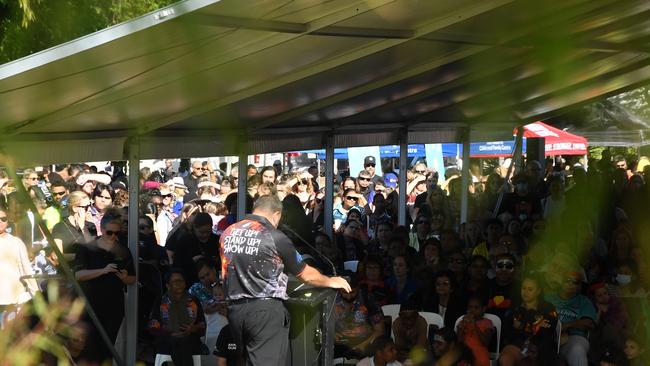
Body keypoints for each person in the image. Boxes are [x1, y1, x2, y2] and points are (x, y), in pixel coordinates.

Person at [219, 195, 350, 365]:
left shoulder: (228, 233)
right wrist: (331, 281)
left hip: (235, 311)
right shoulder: (273, 236)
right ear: (276, 214)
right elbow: (305, 274)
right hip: (264, 311)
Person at [74, 213, 135, 364]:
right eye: (109, 232)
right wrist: (103, 270)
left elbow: (133, 278)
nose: (113, 236)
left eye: (117, 233)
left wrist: (125, 277)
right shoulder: (87, 248)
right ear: (101, 229)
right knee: (89, 348)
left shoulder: (123, 250)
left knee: (107, 349)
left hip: (113, 307)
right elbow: (79, 275)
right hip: (90, 305)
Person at [149, 269, 206, 366]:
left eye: (181, 281)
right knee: (179, 343)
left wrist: (192, 329)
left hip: (190, 338)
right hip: (167, 339)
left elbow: (202, 325)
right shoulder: (161, 302)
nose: (179, 284)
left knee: (184, 342)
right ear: (168, 286)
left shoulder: (193, 301)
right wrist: (168, 331)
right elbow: (152, 327)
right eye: (175, 281)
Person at [500, 275, 559, 366]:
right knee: (506, 358)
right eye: (523, 288)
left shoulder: (548, 308)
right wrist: (536, 325)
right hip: (517, 346)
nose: (525, 292)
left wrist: (521, 326)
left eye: (530, 289)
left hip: (540, 348)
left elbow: (547, 330)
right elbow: (507, 331)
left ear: (538, 291)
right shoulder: (515, 307)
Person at [545, 271, 596, 366]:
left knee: (578, 349)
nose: (571, 284)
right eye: (567, 280)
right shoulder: (548, 297)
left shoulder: (584, 301)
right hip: (546, 336)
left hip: (572, 338)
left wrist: (566, 326)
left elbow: (588, 323)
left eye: (575, 282)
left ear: (580, 286)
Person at [0, 207, 38, 329]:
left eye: (3, 219)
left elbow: (26, 269)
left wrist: (35, 293)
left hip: (11, 298)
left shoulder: (16, 242)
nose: (0, 222)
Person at [457, 295, 494, 366]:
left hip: (480, 354)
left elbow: (486, 342)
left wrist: (475, 326)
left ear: (483, 309)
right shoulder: (463, 322)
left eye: (476, 308)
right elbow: (459, 342)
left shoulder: (487, 323)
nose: (472, 310)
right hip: (466, 354)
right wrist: (462, 327)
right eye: (470, 307)